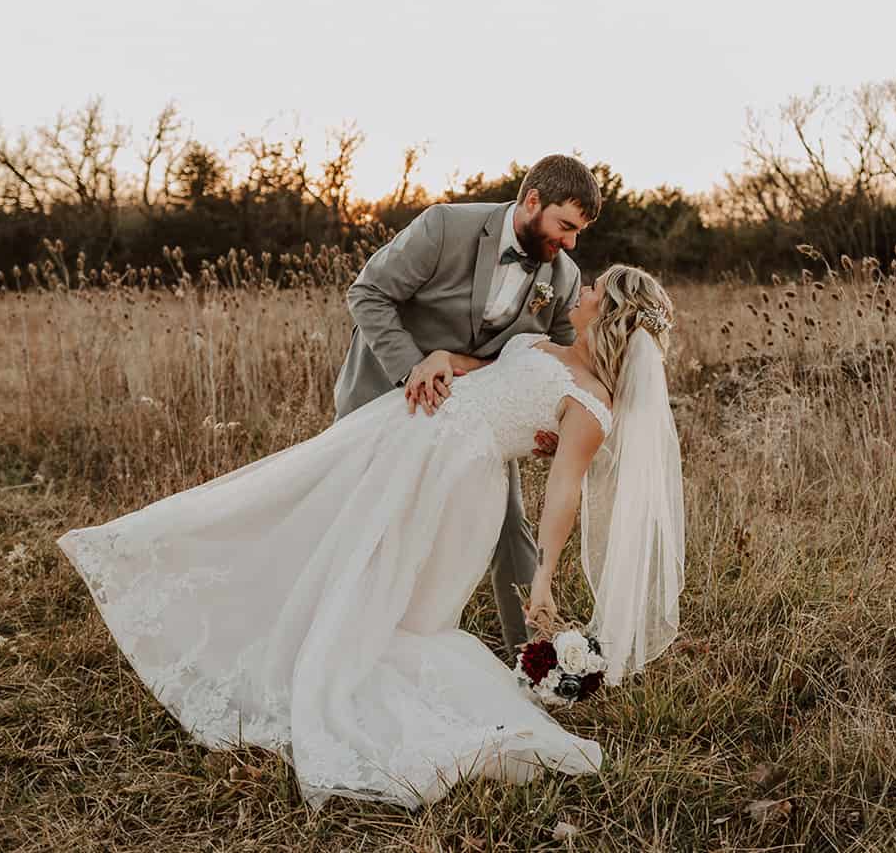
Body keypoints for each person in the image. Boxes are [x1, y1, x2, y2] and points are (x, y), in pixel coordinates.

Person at [57, 238, 685, 814]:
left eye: (598, 291)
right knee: (305, 514)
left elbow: (563, 493)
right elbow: (477, 368)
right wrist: (440, 356)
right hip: (404, 434)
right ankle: (189, 568)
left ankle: (350, 686)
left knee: (400, 604)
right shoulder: (539, 344)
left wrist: (543, 578)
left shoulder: (590, 405)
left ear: (613, 317)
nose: (586, 292)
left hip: (457, 481)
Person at [334, 154, 601, 658]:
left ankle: (533, 660)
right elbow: (367, 293)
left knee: (508, 526)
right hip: (386, 395)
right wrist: (411, 368)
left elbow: (564, 361)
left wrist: (556, 420)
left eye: (579, 232)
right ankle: (344, 639)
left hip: (480, 415)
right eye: (565, 226)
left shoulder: (563, 276)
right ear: (532, 200)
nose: (570, 243)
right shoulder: (443, 227)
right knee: (363, 521)